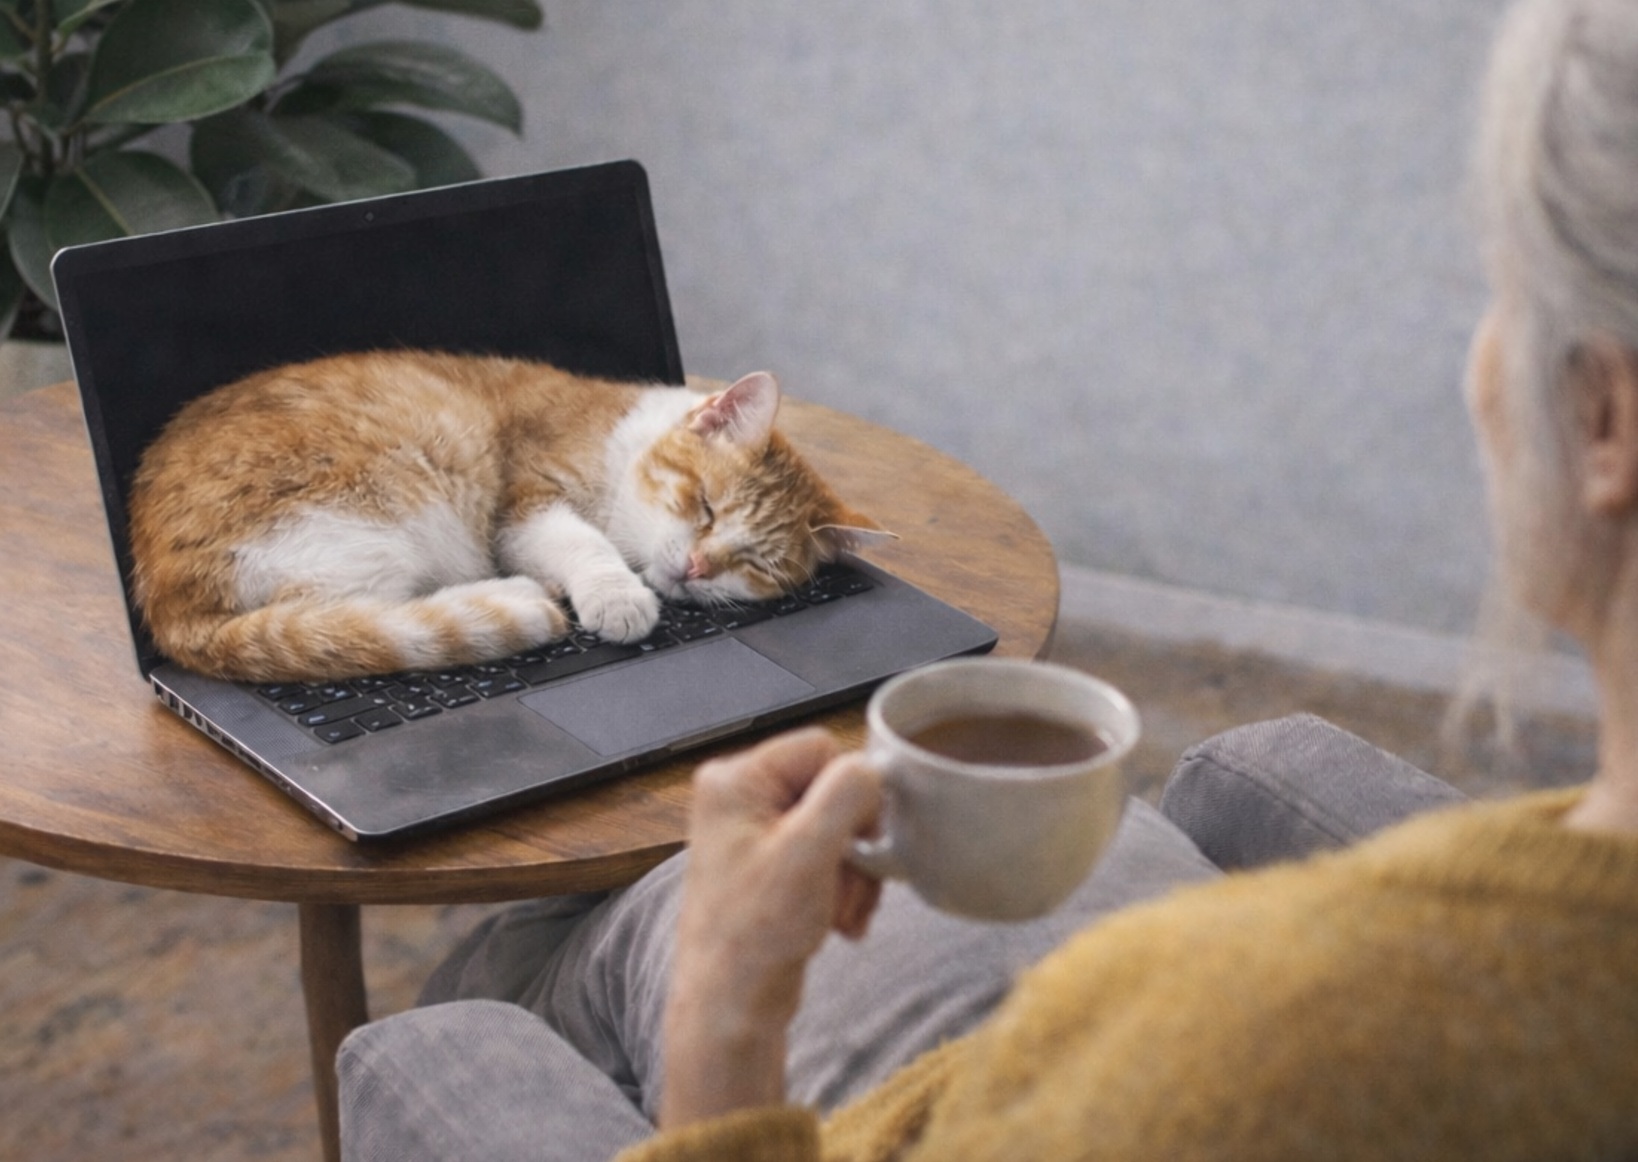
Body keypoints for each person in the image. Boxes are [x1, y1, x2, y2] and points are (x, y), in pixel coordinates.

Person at [337, 0, 1638, 1156]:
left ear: (1603, 420)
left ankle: (540, 971)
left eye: (1500, 290)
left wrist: (727, 1027)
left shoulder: (1230, 1044)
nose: (1478, 360)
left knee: (439, 1040)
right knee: (1248, 758)